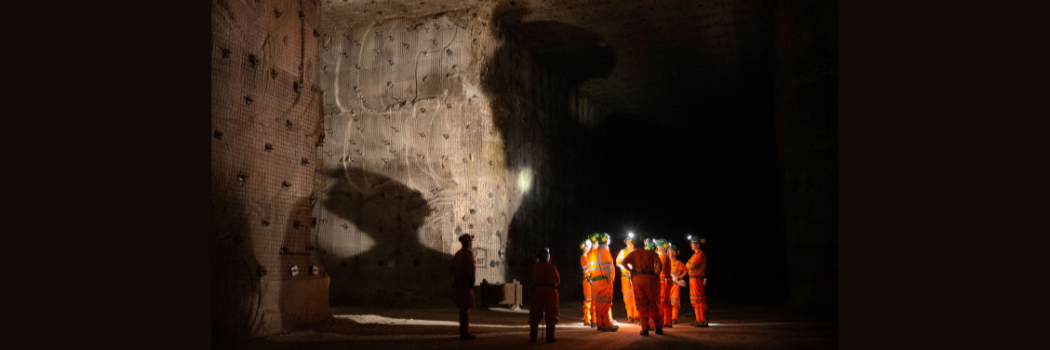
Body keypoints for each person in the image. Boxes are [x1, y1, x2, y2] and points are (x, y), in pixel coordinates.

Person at [622, 236, 664, 336]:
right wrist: (657, 274)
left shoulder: (632, 254)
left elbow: (623, 263)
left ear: (635, 245)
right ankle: (658, 328)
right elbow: (659, 263)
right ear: (644, 245)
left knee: (641, 305)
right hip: (650, 278)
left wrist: (631, 270)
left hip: (637, 279)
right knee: (652, 303)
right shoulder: (650, 253)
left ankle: (645, 329)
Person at [530, 248, 560, 343]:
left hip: (537, 291)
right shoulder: (552, 267)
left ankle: (533, 336)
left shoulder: (535, 267)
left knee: (535, 313)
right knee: (551, 314)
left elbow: (532, 278)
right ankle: (549, 337)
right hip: (550, 291)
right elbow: (557, 280)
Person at [450, 234, 477, 340]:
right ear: (469, 243)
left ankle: (463, 331)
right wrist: (472, 281)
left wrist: (458, 275)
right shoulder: (469, 253)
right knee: (465, 309)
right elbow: (472, 269)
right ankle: (465, 333)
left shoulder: (457, 254)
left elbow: (451, 268)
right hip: (466, 283)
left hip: (458, 283)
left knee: (462, 308)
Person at [591, 233, 619, 332]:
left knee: (598, 304)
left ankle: (600, 324)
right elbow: (607, 266)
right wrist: (608, 279)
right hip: (604, 281)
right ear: (606, 241)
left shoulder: (594, 251)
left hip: (596, 282)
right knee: (605, 304)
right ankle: (606, 325)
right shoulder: (605, 251)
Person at [686, 235, 709, 327]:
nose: (691, 245)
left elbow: (691, 266)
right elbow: (687, 264)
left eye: (692, 244)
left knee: (699, 300)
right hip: (693, 280)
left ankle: (704, 320)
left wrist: (689, 265)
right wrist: (689, 265)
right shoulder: (695, 255)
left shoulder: (700, 255)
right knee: (695, 301)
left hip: (697, 280)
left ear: (697, 245)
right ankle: (698, 320)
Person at [616, 233, 639, 323]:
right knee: (627, 297)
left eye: (631, 241)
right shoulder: (622, 252)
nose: (629, 243)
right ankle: (630, 316)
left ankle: (637, 316)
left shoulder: (637, 252)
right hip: (625, 278)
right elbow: (617, 262)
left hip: (635, 276)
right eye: (628, 241)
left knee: (636, 297)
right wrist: (624, 267)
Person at [655, 239, 674, 328]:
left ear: (660, 246)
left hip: (663, 282)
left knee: (664, 303)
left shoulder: (662, 256)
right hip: (665, 281)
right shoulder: (665, 256)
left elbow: (658, 269)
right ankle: (663, 320)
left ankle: (667, 322)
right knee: (662, 303)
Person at [668, 244, 687, 324]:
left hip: (675, 284)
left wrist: (680, 276)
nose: (668, 253)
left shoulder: (679, 263)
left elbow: (686, 270)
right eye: (667, 252)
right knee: (666, 302)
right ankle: (666, 319)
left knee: (675, 302)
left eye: (669, 252)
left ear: (674, 253)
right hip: (667, 284)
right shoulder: (666, 262)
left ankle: (674, 319)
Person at [580, 239, 594, 327]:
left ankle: (591, 318)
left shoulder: (588, 256)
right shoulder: (584, 256)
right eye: (585, 247)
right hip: (588, 279)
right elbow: (588, 269)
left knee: (591, 300)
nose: (585, 248)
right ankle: (587, 319)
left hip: (590, 279)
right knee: (588, 300)